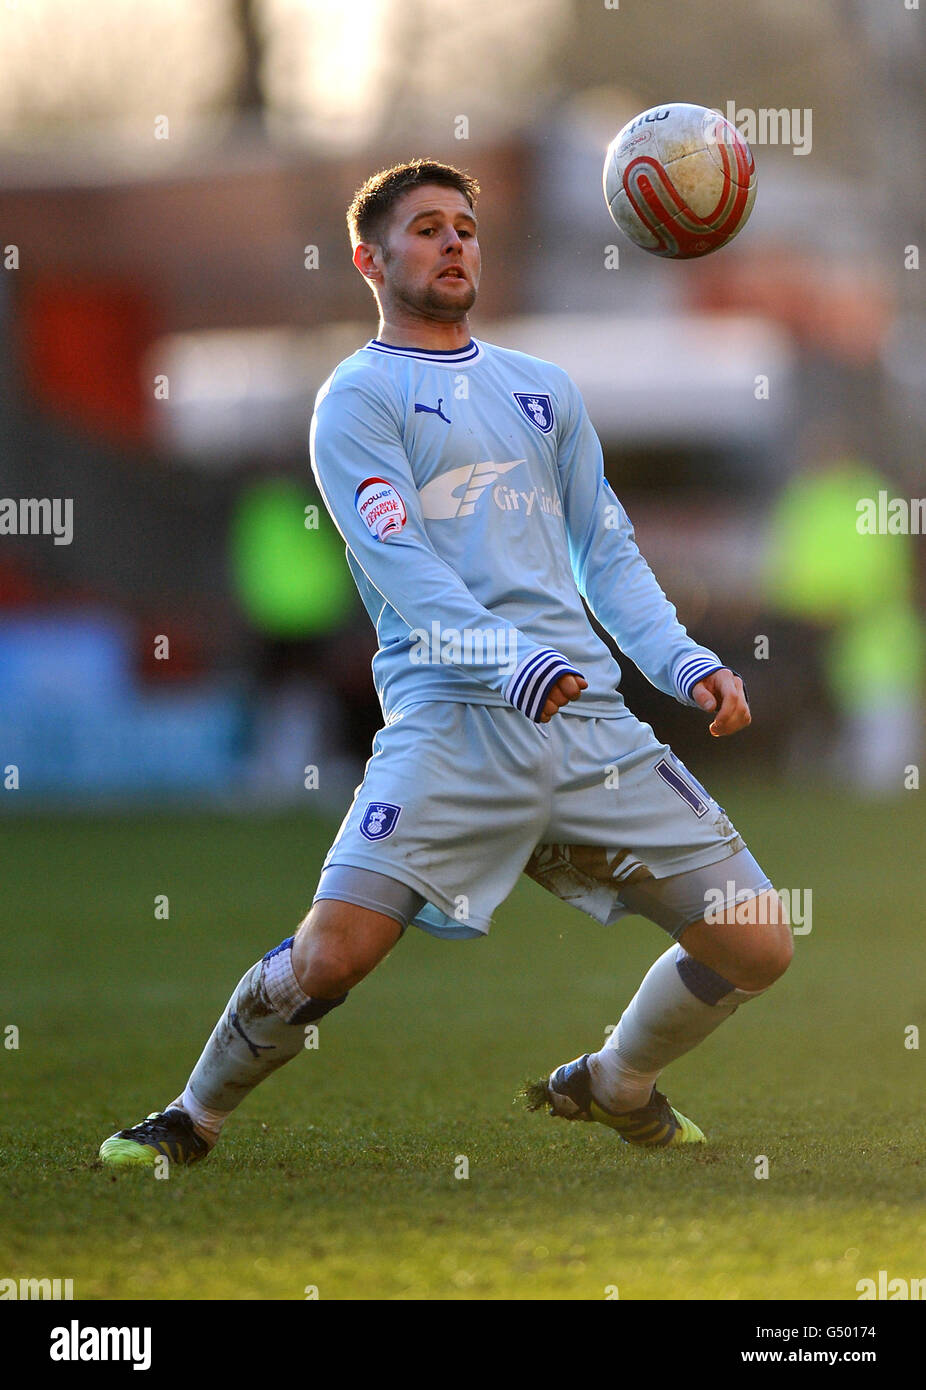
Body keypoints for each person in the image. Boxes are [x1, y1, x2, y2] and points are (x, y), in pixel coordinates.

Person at [99, 159, 791, 1166]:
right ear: (367, 258)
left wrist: (686, 665)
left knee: (758, 942)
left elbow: (605, 553)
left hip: (587, 723)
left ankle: (612, 1080)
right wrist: (506, 662)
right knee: (333, 953)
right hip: (453, 724)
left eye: (464, 227)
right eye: (426, 227)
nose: (454, 242)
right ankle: (188, 1119)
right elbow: (402, 567)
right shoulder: (358, 398)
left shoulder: (542, 391)